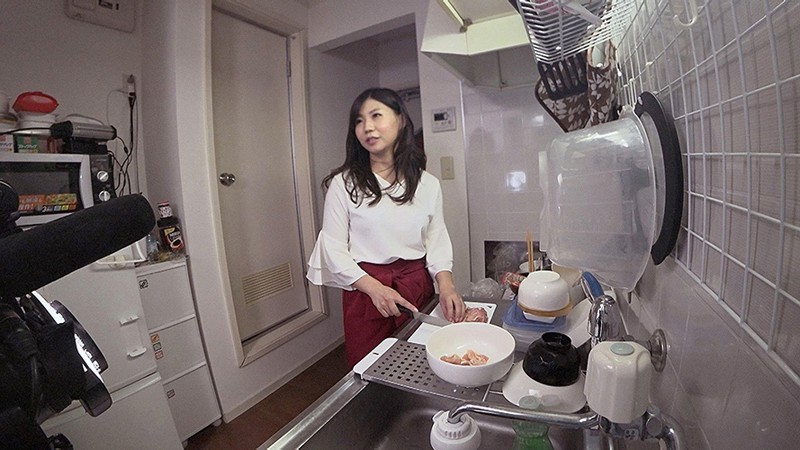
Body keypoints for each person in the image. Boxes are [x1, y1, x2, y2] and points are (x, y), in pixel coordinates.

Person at [307, 87, 466, 367]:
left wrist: (447, 285)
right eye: (359, 120)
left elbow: (436, 238)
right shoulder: (343, 184)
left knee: (419, 363)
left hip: (416, 286)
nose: (367, 127)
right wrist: (374, 288)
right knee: (371, 367)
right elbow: (332, 247)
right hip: (366, 292)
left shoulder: (427, 184)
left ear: (400, 120)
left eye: (376, 115)